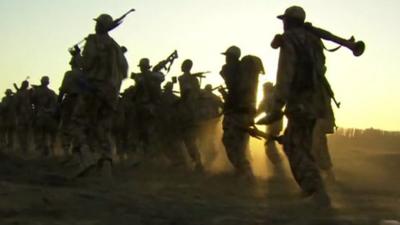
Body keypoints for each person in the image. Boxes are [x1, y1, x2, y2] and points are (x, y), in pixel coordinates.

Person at [260, 6, 332, 206]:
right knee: (301, 144)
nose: (283, 24)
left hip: (299, 100)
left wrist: (277, 105)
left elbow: (285, 73)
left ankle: (316, 191)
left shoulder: (290, 39)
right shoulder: (314, 40)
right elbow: (321, 67)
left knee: (294, 145)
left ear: (290, 21)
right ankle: (314, 189)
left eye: (285, 21)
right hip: (315, 100)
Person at [70, 13, 128, 178]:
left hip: (93, 88)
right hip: (110, 93)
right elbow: (124, 71)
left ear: (100, 26)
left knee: (77, 123)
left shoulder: (93, 41)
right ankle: (107, 164)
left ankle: (86, 158)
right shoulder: (116, 47)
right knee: (103, 127)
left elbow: (87, 64)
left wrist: (76, 57)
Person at [220, 46, 264, 181]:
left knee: (230, 142)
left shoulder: (234, 71)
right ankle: (244, 172)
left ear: (232, 57)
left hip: (236, 112)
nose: (226, 59)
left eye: (228, 56)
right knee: (240, 144)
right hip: (246, 111)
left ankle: (245, 172)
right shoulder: (244, 73)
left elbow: (234, 92)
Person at [178, 59, 203, 171]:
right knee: (189, 139)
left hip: (189, 111)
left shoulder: (184, 78)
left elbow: (186, 93)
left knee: (189, 139)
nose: (182, 66)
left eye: (184, 65)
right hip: (191, 110)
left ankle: (197, 162)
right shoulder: (192, 79)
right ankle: (196, 161)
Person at [256, 82, 283, 168]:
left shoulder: (267, 98)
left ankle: (280, 166)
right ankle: (279, 164)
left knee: (269, 146)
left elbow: (259, 111)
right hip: (277, 122)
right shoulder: (275, 97)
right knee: (271, 143)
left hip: (272, 122)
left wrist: (249, 119)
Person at [31, 76, 58, 157]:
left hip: (40, 115)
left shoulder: (36, 91)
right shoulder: (51, 92)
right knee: (51, 134)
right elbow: (56, 104)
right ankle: (51, 150)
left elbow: (32, 101)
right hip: (49, 115)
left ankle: (43, 150)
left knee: (40, 133)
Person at [14, 80, 33, 153]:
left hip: (23, 114)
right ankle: (26, 147)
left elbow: (15, 104)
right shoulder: (28, 92)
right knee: (26, 131)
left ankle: (24, 147)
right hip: (26, 114)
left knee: (23, 131)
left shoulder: (20, 93)